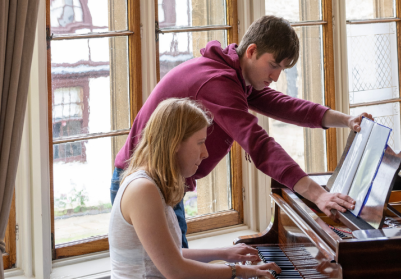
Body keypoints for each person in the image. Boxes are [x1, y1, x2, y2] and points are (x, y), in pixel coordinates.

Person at [111, 15, 373, 246]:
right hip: (145, 184)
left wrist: (347, 120)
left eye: (282, 69)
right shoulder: (218, 83)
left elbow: (285, 105)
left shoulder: (233, 75)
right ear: (251, 51)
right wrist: (319, 195)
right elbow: (258, 144)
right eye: (273, 65)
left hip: (161, 179)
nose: (276, 77)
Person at [109, 97, 280, 278]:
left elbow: (168, 254)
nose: (205, 153)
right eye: (200, 142)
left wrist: (223, 253)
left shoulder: (152, 185)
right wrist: (240, 270)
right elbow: (176, 270)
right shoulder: (142, 190)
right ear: (174, 143)